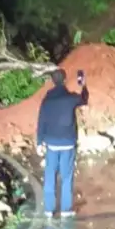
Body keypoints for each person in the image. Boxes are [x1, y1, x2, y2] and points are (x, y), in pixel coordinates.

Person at [36, 69, 88, 218]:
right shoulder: (70, 98)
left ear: (52, 81)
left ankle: (49, 209)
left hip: (51, 144)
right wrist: (83, 85)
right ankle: (65, 209)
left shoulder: (47, 100)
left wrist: (39, 142)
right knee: (67, 177)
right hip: (68, 144)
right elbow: (84, 99)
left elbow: (41, 121)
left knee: (50, 176)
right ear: (64, 80)